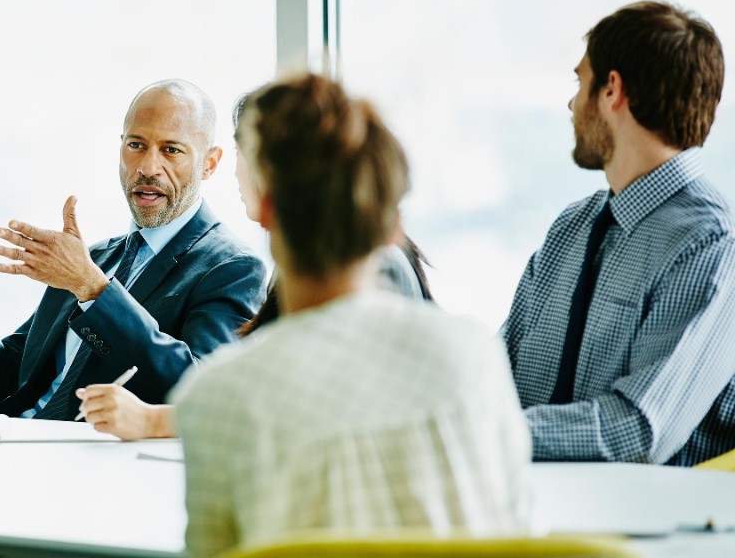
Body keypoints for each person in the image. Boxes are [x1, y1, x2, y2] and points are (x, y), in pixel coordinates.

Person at [171, 74, 532, 557]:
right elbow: (519, 530)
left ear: (268, 210)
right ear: (392, 226)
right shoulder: (476, 354)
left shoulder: (217, 399)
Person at [0, 79, 266, 420]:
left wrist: (93, 290)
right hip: (16, 445)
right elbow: (0, 385)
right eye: (136, 145)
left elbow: (199, 394)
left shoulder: (231, 267)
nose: (147, 167)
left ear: (210, 163)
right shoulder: (94, 258)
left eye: (171, 150)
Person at [77, 90, 435, 440]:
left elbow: (315, 409)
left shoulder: (373, 266)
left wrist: (152, 420)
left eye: (243, 153)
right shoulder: (304, 266)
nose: (236, 173)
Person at [502, 0, 735, 466]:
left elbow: (637, 430)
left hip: (644, 512)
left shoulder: (710, 245)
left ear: (612, 90)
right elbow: (498, 375)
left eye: (579, 83)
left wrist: (483, 434)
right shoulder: (570, 229)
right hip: (527, 499)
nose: (571, 105)